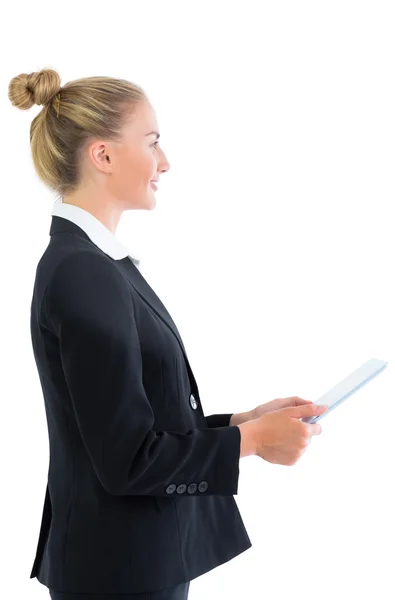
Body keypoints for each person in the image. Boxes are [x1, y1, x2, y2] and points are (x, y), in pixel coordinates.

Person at [8, 68, 328, 600]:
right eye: (152, 141)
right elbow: (128, 460)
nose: (165, 162)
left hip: (132, 563)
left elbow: (136, 422)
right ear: (103, 156)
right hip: (118, 574)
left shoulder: (98, 265)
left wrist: (240, 422)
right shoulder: (83, 271)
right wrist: (250, 442)